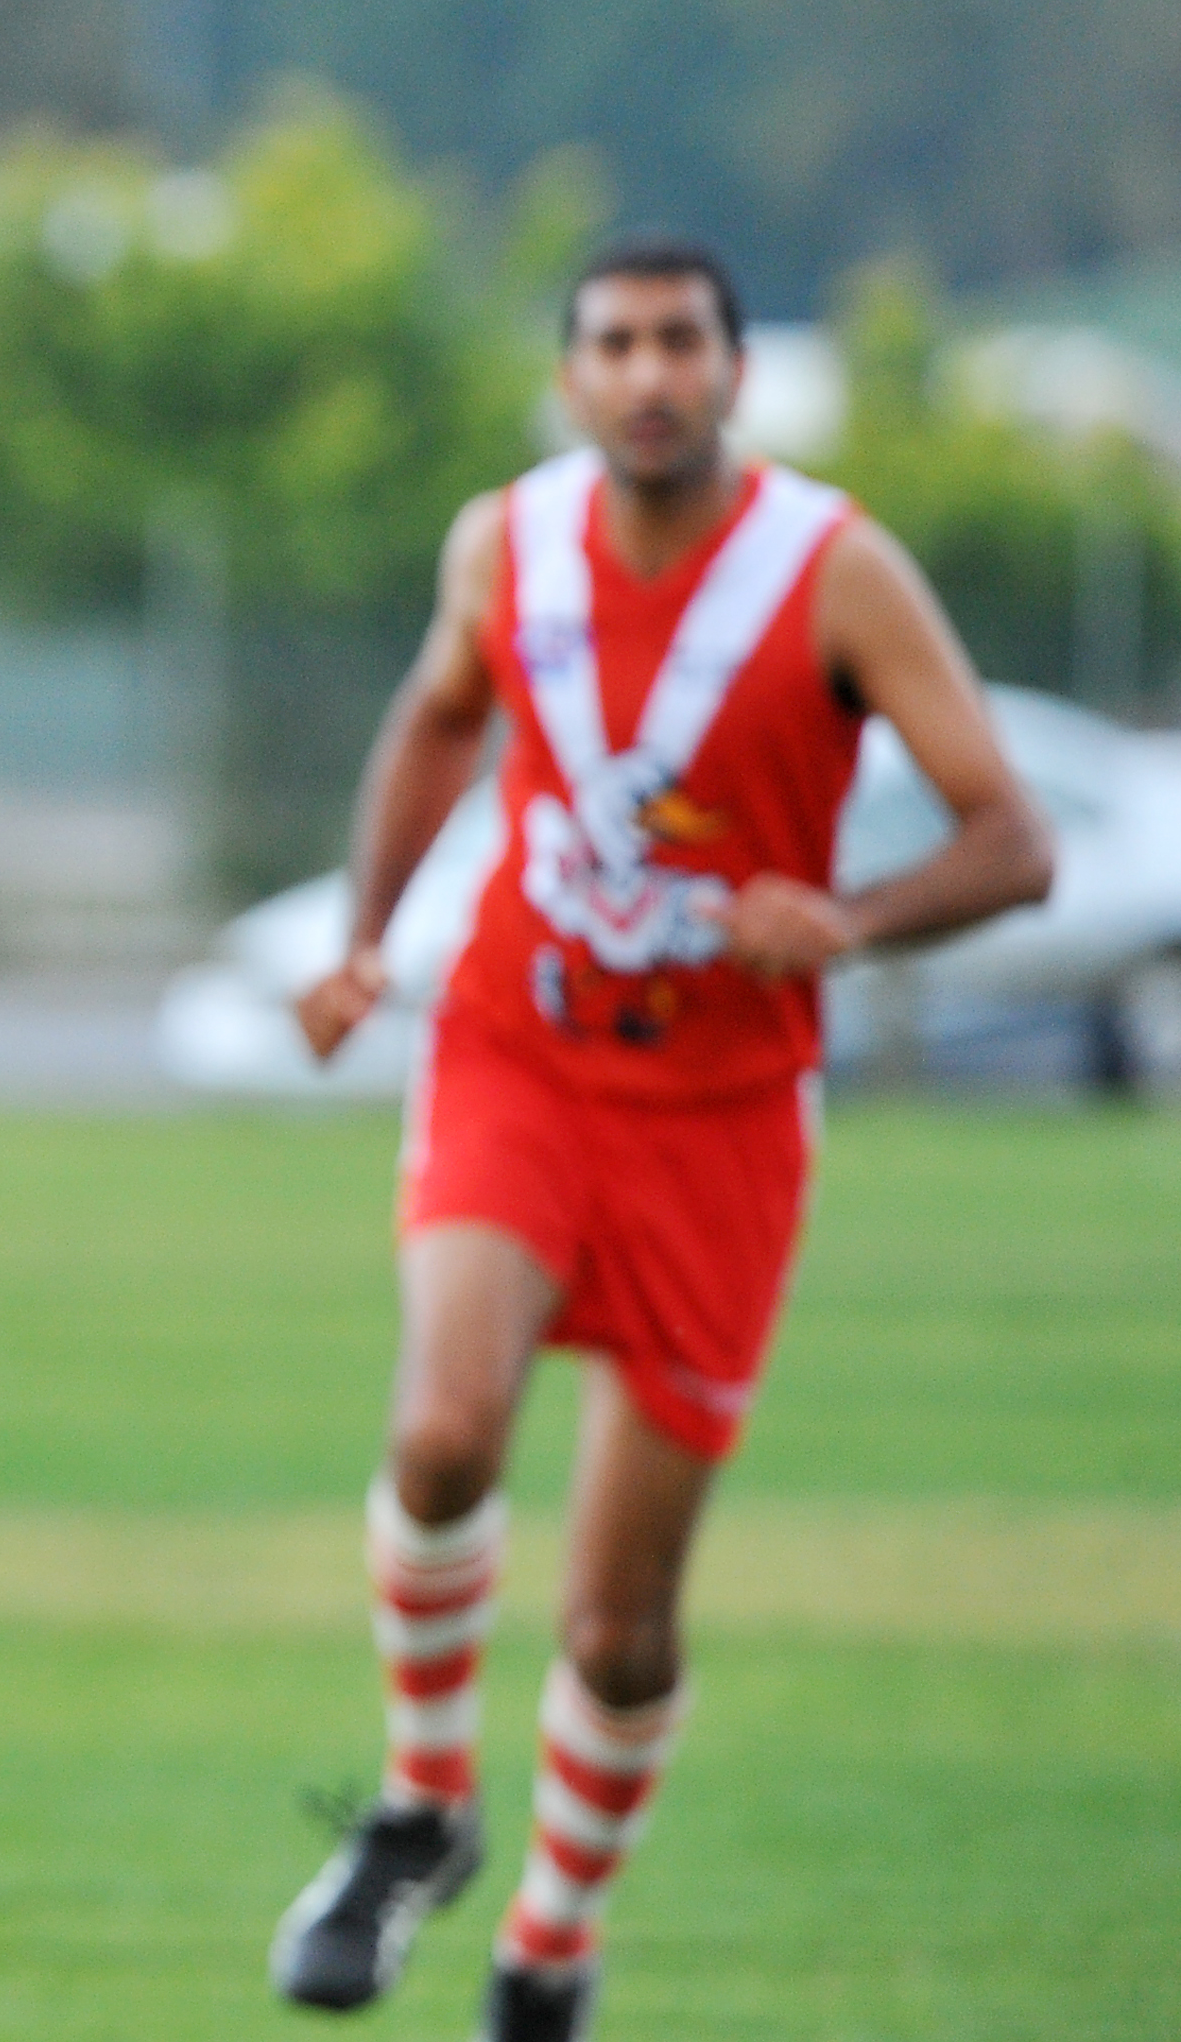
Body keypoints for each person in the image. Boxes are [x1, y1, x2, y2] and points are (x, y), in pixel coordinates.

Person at [266, 239, 1055, 2042]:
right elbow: (432, 724)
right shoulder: (505, 544)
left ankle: (548, 1945)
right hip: (516, 1053)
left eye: (678, 343)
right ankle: (418, 1807)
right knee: (445, 1427)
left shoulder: (833, 570)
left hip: (720, 1116)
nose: (645, 375)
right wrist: (362, 940)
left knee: (621, 1628)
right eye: (612, 344)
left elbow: (1012, 838)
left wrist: (852, 918)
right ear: (569, 378)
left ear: (729, 373)